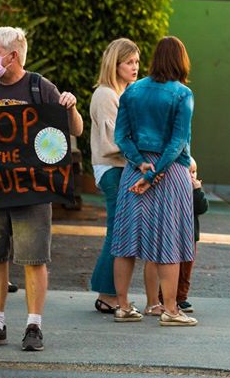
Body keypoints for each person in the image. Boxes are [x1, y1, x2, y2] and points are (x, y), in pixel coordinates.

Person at [0, 27, 84, 352]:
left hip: (31, 190)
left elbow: (74, 129)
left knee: (34, 259)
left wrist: (70, 107)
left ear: (13, 55)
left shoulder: (39, 87)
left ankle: (34, 325)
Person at [111, 36, 197, 327]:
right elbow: (178, 142)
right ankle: (170, 310)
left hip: (133, 173)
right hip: (170, 175)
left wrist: (139, 164)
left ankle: (122, 306)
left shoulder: (132, 91)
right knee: (168, 242)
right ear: (180, 60)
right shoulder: (182, 94)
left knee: (125, 242)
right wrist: (155, 173)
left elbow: (120, 137)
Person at [88, 39, 141, 315]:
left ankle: (107, 290)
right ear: (115, 64)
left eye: (136, 61)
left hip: (120, 169)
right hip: (112, 170)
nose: (135, 67)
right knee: (117, 232)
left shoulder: (124, 92)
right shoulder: (106, 95)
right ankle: (107, 293)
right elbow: (113, 143)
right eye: (129, 62)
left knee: (118, 232)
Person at [160, 157, 208, 314]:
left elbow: (202, 208)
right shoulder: (174, 190)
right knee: (170, 266)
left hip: (190, 237)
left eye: (194, 172)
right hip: (173, 235)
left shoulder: (195, 190)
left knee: (186, 270)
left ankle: (181, 297)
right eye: (189, 172)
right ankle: (163, 296)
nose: (192, 176)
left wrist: (197, 190)